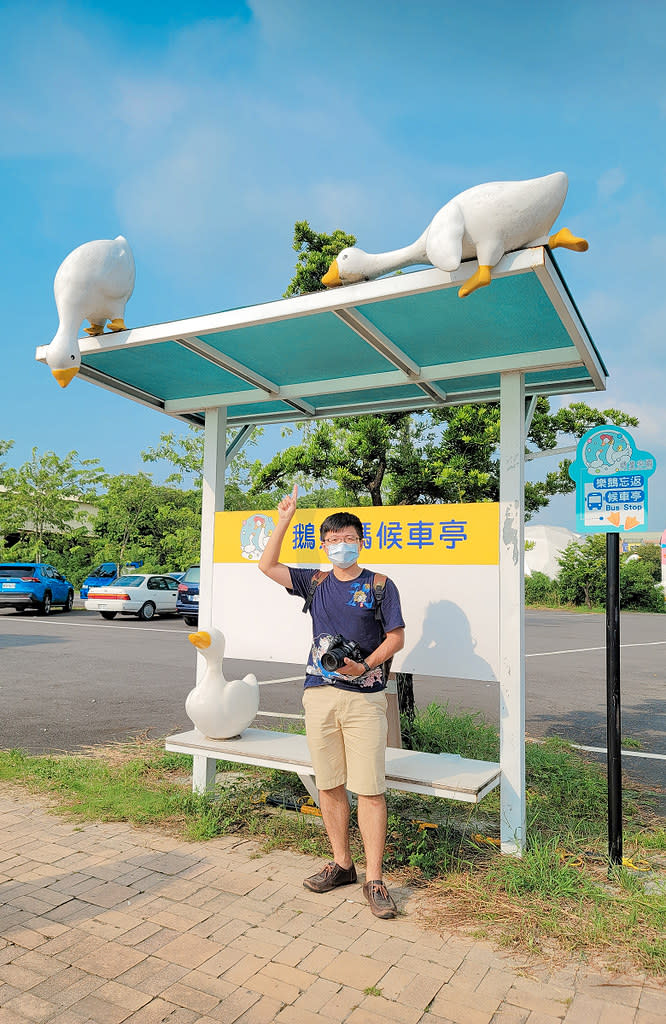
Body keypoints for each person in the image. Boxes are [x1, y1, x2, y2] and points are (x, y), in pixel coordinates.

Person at [259, 485, 405, 919]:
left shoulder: (380, 584)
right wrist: (284, 517)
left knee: (370, 789)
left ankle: (375, 881)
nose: (341, 546)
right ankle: (343, 865)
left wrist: (365, 667)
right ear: (323, 545)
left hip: (364, 699)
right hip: (319, 696)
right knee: (328, 784)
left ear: (361, 542)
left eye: (349, 539)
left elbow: (396, 636)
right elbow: (266, 565)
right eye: (333, 540)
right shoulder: (315, 581)